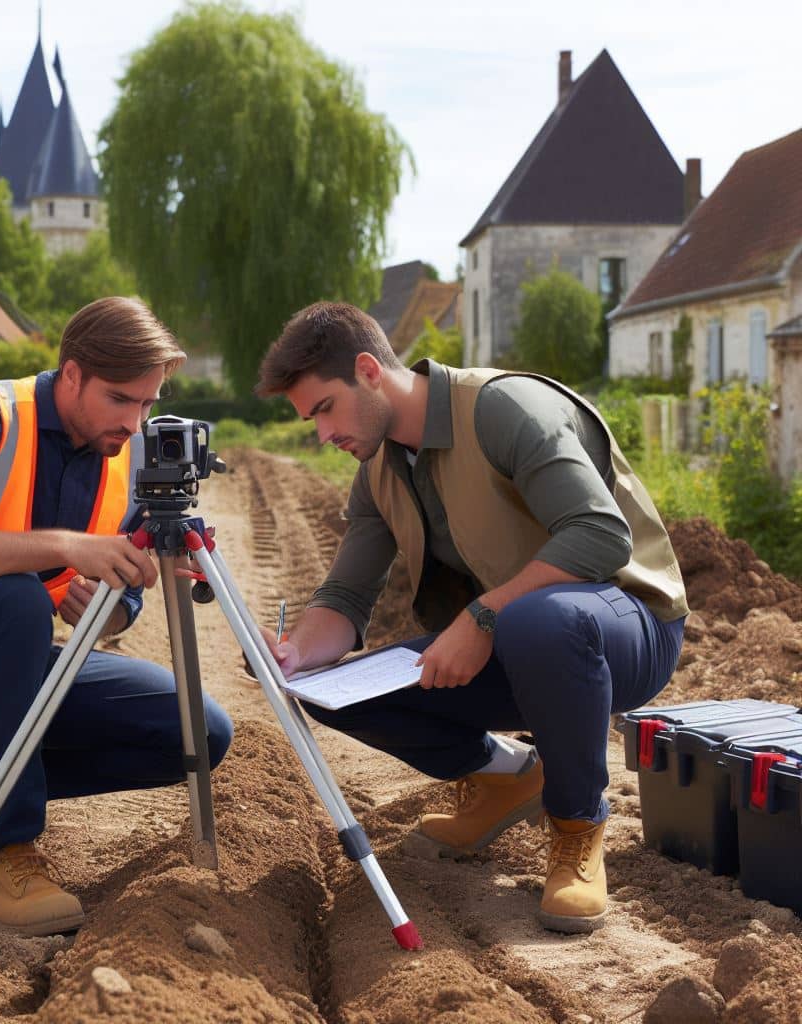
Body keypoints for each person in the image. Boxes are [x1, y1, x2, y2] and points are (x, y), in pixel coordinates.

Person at [254, 301, 686, 934]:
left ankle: (576, 825)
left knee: (538, 622)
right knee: (322, 692)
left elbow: (599, 535)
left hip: (625, 625)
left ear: (370, 371)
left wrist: (481, 615)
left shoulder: (503, 409)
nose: (322, 433)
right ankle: (510, 776)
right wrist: (293, 655)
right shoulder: (377, 466)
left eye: (324, 409)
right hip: (521, 639)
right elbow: (346, 599)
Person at [0, 297, 233, 936]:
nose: (136, 424)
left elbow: (125, 596)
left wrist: (110, 605)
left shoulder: (129, 453)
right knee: (19, 595)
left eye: (147, 403)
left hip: (7, 666)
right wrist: (63, 549)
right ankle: (7, 848)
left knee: (199, 730)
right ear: (74, 373)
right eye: (121, 400)